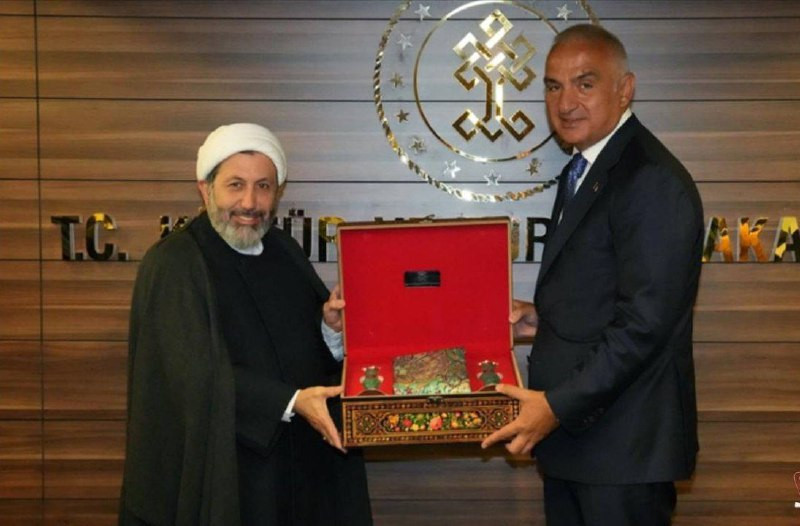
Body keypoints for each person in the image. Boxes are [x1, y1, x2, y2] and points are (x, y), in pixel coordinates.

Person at [482, 24, 704, 526]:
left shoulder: (649, 178)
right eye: (553, 86)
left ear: (625, 89)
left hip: (622, 452)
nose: (565, 103)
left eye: (585, 83)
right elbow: (608, 293)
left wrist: (556, 406)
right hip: (583, 448)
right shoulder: (585, 167)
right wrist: (545, 319)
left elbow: (645, 324)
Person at [119, 123, 372, 526]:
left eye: (263, 187)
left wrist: (330, 329)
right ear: (205, 189)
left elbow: (302, 352)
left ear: (277, 193)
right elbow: (191, 375)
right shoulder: (175, 262)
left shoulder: (283, 249)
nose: (250, 202)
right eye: (235, 185)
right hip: (228, 472)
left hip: (301, 470)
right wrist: (289, 402)